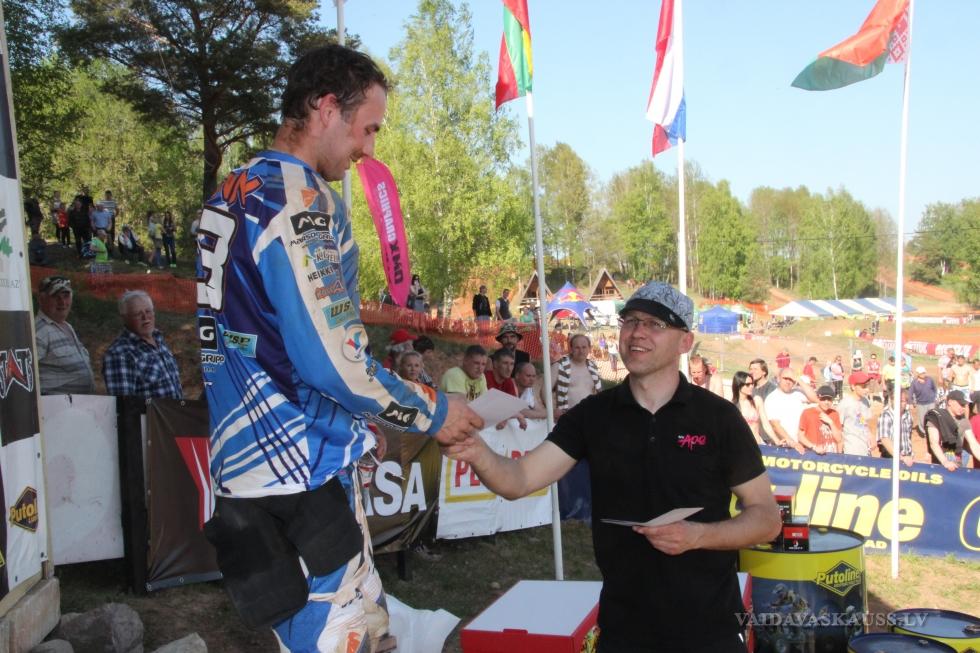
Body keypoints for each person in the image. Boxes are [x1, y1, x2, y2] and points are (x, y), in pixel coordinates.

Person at [196, 44, 481, 653]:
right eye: (368, 128)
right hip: (302, 473)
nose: (368, 149)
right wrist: (434, 410)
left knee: (329, 633)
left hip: (247, 470)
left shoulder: (234, 190)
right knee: (343, 636)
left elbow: (270, 339)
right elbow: (333, 360)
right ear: (327, 108)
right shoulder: (299, 200)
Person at [443, 280, 781, 653]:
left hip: (710, 632)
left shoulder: (719, 417)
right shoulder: (593, 415)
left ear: (685, 342)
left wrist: (698, 536)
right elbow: (518, 479)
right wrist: (476, 451)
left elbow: (767, 519)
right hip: (623, 631)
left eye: (655, 324)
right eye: (630, 321)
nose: (637, 332)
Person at [102, 290, 182, 399]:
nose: (145, 318)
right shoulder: (120, 354)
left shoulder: (158, 339)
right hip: (150, 411)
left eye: (148, 311)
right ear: (125, 318)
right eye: (137, 314)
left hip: (174, 409)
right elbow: (124, 404)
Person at [34, 276, 96, 395]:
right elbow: (25, 376)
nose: (62, 302)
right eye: (55, 297)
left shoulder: (67, 326)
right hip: (54, 405)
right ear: (41, 299)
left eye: (66, 296)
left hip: (77, 403)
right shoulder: (39, 330)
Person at [924, 390, 980, 471]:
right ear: (950, 402)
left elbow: (974, 444)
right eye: (961, 404)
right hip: (939, 464)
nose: (963, 408)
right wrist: (945, 462)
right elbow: (934, 443)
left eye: (964, 405)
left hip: (957, 464)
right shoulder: (936, 418)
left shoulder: (964, 421)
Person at [552, 333, 601, 419]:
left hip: (589, 417)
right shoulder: (560, 366)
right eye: (577, 347)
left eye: (584, 347)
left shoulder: (593, 368)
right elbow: (544, 391)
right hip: (568, 417)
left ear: (589, 349)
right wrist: (552, 410)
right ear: (571, 349)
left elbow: (597, 394)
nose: (581, 351)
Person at [763, 367, 809, 454]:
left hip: (803, 445)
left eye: (791, 379)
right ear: (778, 379)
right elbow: (775, 425)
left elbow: (815, 399)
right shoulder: (772, 398)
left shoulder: (799, 394)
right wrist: (794, 444)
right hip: (785, 448)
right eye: (785, 378)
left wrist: (800, 380)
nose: (788, 382)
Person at [838, 371, 881, 457]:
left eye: (867, 386)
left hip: (865, 447)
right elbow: (838, 426)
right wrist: (840, 448)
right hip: (851, 449)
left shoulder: (865, 401)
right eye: (863, 387)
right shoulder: (845, 404)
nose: (867, 389)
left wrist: (871, 436)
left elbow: (863, 422)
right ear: (853, 386)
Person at [797, 385, 843, 454]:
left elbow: (839, 439)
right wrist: (814, 447)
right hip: (813, 454)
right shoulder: (808, 412)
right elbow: (800, 437)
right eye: (823, 399)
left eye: (829, 399)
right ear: (818, 399)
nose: (826, 402)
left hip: (831, 455)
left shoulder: (834, 413)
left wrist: (831, 423)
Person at [732, 370, 771, 445]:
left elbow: (766, 424)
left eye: (752, 384)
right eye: (748, 384)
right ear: (739, 385)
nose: (751, 386)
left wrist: (777, 440)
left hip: (758, 444)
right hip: (741, 445)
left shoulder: (757, 400)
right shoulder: (732, 405)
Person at [877, 389, 914, 466]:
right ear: (892, 400)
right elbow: (885, 440)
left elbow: (908, 438)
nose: (899, 404)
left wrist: (909, 456)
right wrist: (900, 458)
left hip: (907, 459)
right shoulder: (886, 415)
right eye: (897, 400)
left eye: (902, 401)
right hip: (890, 459)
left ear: (906, 402)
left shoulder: (908, 416)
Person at [909, 366, 938, 436]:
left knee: (932, 417)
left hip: (931, 401)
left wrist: (934, 397)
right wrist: (910, 403)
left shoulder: (930, 380)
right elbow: (910, 393)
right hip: (921, 403)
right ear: (918, 374)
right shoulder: (914, 382)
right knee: (922, 418)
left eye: (924, 372)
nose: (923, 374)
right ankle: (924, 431)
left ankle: (932, 431)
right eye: (922, 373)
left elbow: (934, 389)